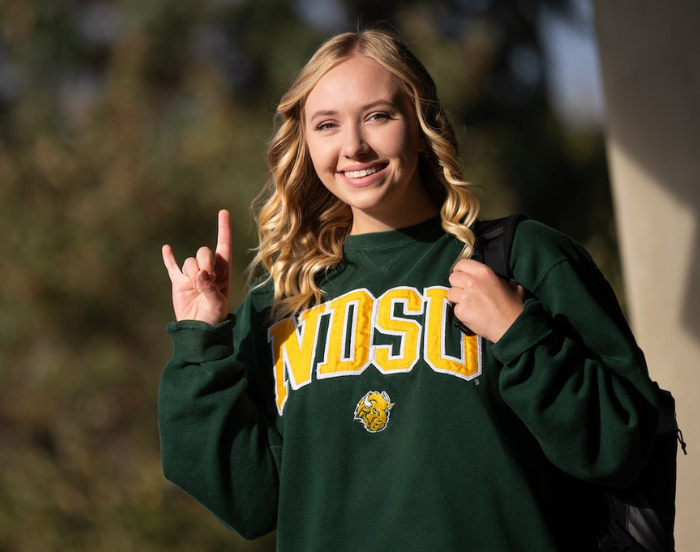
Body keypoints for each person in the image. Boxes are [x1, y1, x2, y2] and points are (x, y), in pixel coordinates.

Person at [158, 27, 659, 551]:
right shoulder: (281, 300)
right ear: (304, 144)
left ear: (421, 124)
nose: (353, 146)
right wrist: (200, 345)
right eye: (327, 125)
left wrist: (521, 335)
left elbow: (622, 444)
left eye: (378, 116)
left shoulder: (525, 259)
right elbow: (250, 501)